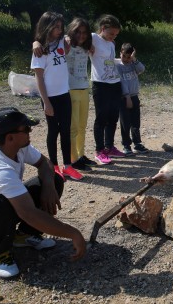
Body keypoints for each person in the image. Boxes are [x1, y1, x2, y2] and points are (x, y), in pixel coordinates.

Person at [0, 107, 87, 278]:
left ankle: (23, 236)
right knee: (0, 204)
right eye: (27, 129)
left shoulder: (17, 145)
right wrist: (73, 233)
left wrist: (48, 187)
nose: (30, 132)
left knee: (54, 179)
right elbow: (28, 213)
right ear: (10, 137)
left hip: (0, 208)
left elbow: (44, 163)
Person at [31, 12, 83, 181]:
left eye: (61, 27)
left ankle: (67, 166)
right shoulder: (39, 50)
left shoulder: (61, 41)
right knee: (53, 131)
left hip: (64, 95)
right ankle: (54, 166)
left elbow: (71, 38)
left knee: (66, 130)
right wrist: (46, 102)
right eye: (56, 27)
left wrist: (67, 38)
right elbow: (39, 78)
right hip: (50, 98)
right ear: (47, 26)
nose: (60, 30)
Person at [89, 14, 125, 164]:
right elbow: (71, 37)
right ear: (103, 28)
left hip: (115, 83)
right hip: (100, 84)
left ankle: (109, 147)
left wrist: (122, 61)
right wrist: (36, 43)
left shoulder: (111, 44)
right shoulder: (93, 38)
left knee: (113, 117)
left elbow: (109, 61)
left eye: (116, 34)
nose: (113, 37)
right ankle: (99, 151)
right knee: (101, 118)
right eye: (111, 33)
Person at [65, 18, 97, 171]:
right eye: (78, 31)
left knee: (82, 126)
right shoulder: (65, 44)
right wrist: (36, 43)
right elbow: (44, 40)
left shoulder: (86, 47)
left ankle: (81, 155)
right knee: (73, 127)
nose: (81, 35)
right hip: (69, 90)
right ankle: (73, 158)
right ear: (72, 30)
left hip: (84, 88)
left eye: (84, 32)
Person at [116, 43, 149, 155]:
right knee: (125, 122)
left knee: (135, 122)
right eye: (124, 56)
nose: (126, 59)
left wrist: (134, 59)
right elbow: (122, 81)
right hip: (125, 98)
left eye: (128, 57)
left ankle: (137, 144)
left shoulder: (133, 64)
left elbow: (142, 69)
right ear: (120, 53)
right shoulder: (118, 66)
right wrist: (127, 96)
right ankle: (126, 145)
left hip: (135, 96)